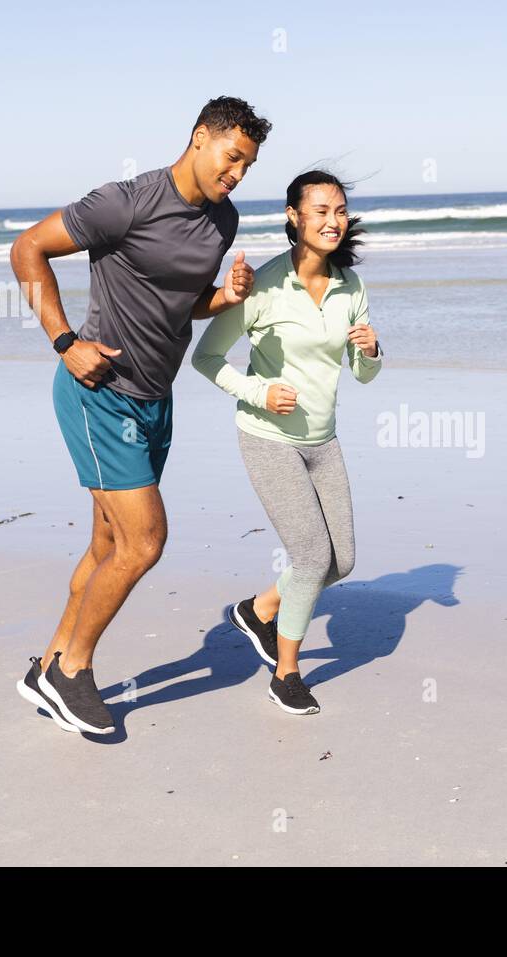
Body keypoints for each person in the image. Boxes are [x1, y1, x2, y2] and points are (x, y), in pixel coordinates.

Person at [9, 96, 271, 735]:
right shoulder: (125, 201)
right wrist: (66, 342)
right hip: (100, 393)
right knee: (145, 539)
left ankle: (47, 665)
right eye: (232, 157)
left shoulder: (222, 221)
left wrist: (225, 298)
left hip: (156, 400)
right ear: (200, 137)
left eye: (248, 166)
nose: (236, 174)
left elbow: (182, 303)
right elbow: (28, 249)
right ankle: (74, 672)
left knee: (108, 543)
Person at [192, 170, 382, 715]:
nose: (333, 221)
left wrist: (371, 350)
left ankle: (258, 610)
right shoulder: (265, 287)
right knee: (310, 556)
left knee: (340, 562)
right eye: (320, 210)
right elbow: (205, 359)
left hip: (323, 440)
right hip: (268, 437)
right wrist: (257, 390)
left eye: (340, 210)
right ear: (294, 217)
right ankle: (286, 673)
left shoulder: (352, 286)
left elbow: (364, 374)